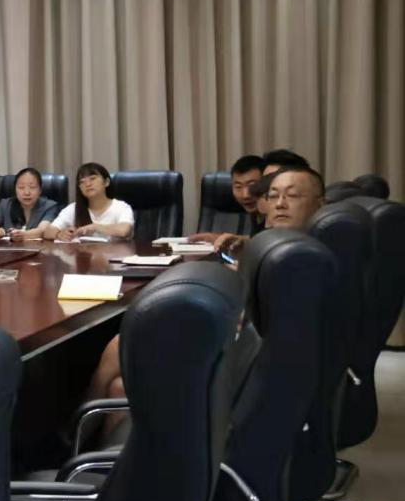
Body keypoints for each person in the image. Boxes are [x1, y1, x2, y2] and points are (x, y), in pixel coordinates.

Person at [86, 164, 327, 412]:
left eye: (292, 195)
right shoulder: (280, 244)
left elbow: (268, 330)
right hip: (236, 346)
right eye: (273, 196)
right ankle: (88, 425)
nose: (280, 204)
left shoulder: (300, 258)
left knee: (121, 345)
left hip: (243, 364)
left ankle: (80, 422)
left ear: (320, 204)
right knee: (119, 386)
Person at [43, 163, 134, 241]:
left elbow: (124, 230)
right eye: (82, 182)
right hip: (83, 255)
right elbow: (48, 232)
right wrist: (59, 234)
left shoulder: (121, 207)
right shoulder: (73, 208)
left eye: (92, 178)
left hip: (114, 255)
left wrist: (95, 227)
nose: (87, 184)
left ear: (106, 182)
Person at [190, 155, 266, 243]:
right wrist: (219, 238)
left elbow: (270, 242)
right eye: (238, 187)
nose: (245, 195)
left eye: (252, 186)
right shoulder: (256, 212)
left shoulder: (273, 212)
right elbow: (257, 239)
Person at [0, 167, 61, 240]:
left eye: (32, 187)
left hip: (39, 251)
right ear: (15, 189)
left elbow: (42, 231)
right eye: (21, 187)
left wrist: (22, 235)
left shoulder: (49, 206)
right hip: (8, 251)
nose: (27, 192)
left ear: (40, 190)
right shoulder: (5, 205)